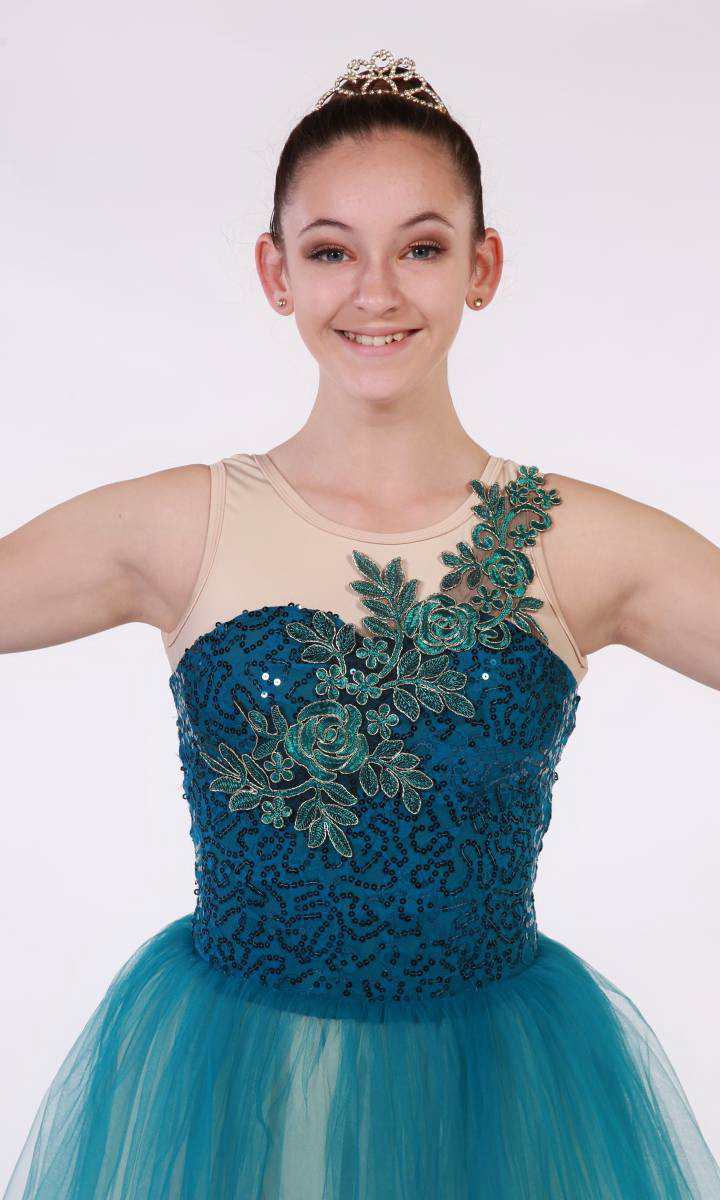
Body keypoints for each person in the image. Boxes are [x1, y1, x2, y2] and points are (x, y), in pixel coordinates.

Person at [2, 46, 719, 1200]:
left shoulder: (574, 541)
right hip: (234, 1097)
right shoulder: (185, 525)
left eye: (421, 248)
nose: (375, 292)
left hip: (497, 1102)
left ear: (482, 266)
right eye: (332, 250)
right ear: (276, 271)